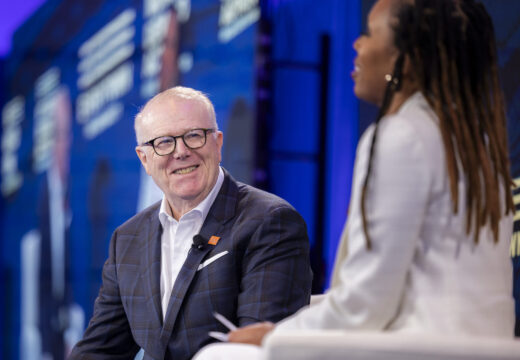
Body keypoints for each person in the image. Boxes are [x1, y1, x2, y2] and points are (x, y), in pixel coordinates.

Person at [194, 0, 515, 358]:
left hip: (424, 347)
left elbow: (366, 303)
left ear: (404, 60)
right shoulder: (473, 139)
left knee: (220, 355)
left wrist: (275, 336)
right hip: (475, 343)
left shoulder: (402, 135)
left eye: (370, 34)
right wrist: (284, 328)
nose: (356, 45)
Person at [68, 86, 312, 360]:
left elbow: (257, 352)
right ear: (144, 159)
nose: (181, 151)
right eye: (163, 142)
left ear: (218, 143)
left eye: (194, 136)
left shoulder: (270, 223)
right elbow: (100, 351)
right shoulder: (127, 239)